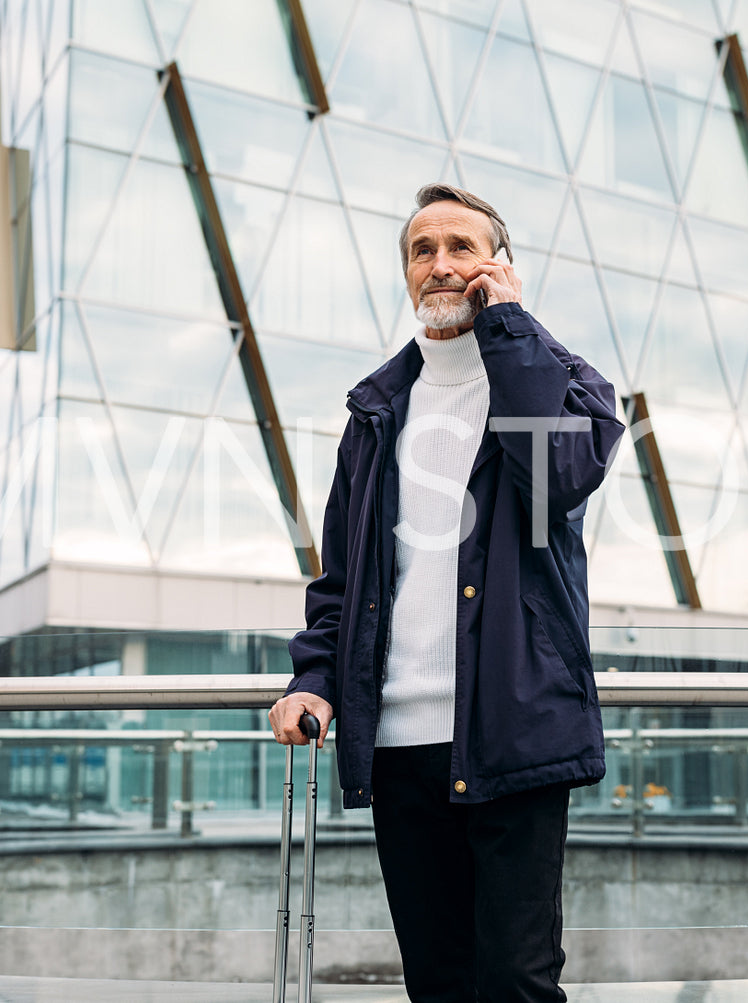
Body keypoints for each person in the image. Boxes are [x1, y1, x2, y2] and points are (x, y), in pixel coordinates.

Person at [269, 183, 624, 1002]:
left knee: (517, 983)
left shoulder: (565, 385)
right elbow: (341, 580)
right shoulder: (375, 411)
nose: (439, 264)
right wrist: (314, 678)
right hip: (399, 746)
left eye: (461, 247)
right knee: (437, 982)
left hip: (514, 735)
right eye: (421, 250)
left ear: (499, 265)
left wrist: (506, 327)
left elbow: (557, 474)